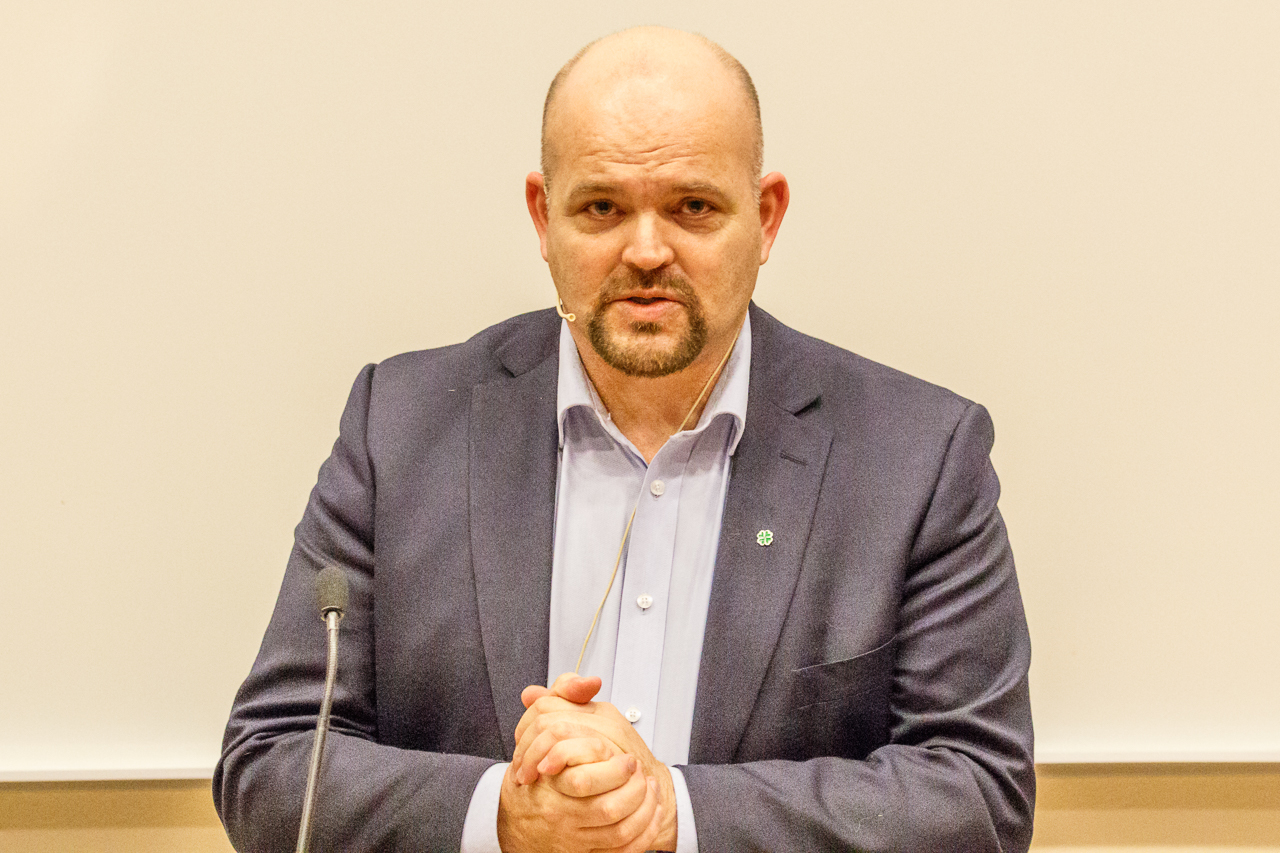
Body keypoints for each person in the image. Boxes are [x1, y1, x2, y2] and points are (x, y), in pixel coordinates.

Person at [215, 26, 1034, 853]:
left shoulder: (916, 455)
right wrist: (504, 810)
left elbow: (979, 793)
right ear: (543, 216)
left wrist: (670, 809)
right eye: (603, 207)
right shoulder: (399, 426)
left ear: (767, 215)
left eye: (694, 207)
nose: (647, 251)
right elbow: (272, 765)